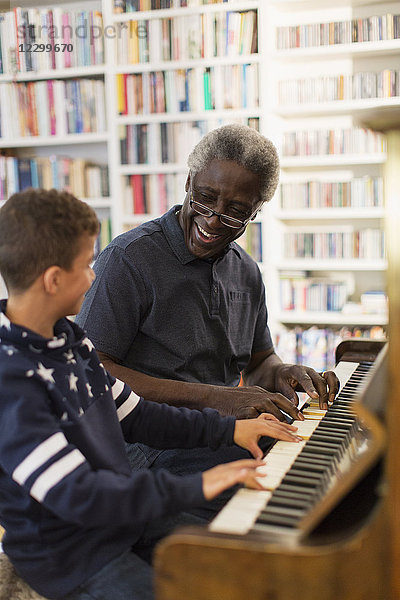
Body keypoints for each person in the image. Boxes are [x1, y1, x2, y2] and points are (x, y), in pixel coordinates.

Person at [0, 188, 301, 600]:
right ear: (53, 280)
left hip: (119, 520)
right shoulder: (12, 381)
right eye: (86, 265)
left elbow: (137, 416)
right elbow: (78, 495)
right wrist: (196, 486)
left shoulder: (67, 339)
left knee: (234, 565)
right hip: (71, 553)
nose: (94, 275)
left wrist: (228, 431)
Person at [75, 124, 339, 515]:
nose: (214, 221)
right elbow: (90, 373)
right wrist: (218, 399)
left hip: (218, 433)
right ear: (188, 182)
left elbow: (259, 361)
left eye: (236, 212)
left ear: (256, 211)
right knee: (279, 496)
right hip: (145, 447)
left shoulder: (246, 271)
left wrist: (285, 373)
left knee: (318, 467)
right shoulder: (128, 259)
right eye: (205, 198)